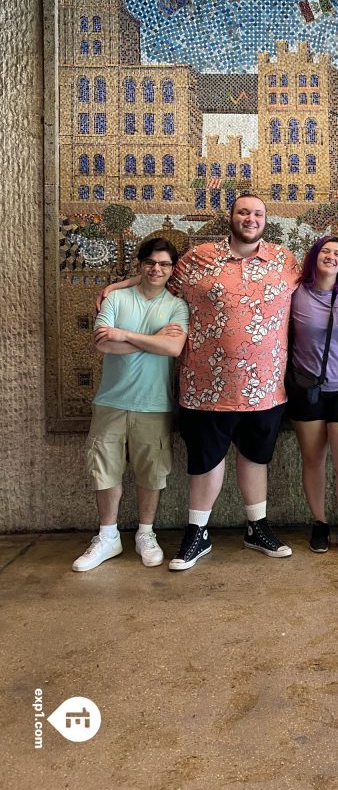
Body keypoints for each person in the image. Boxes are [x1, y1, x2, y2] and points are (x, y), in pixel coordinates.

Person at [100, 194, 301, 570]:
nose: (250, 218)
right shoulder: (198, 259)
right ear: (231, 217)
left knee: (256, 458)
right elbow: (158, 277)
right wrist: (119, 286)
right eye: (243, 212)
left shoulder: (283, 260)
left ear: (265, 219)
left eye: (257, 213)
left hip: (265, 388)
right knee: (205, 462)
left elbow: (321, 282)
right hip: (205, 387)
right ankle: (197, 533)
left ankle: (257, 527)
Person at [72, 238, 189, 572]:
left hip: (154, 403)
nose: (157, 269)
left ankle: (145, 533)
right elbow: (104, 345)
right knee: (103, 468)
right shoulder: (116, 297)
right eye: (151, 262)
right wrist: (152, 339)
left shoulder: (176, 306)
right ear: (140, 265)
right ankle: (108, 536)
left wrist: (124, 336)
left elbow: (174, 349)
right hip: (110, 400)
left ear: (172, 269)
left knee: (152, 471)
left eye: (164, 264)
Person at [287, 236, 338, 561]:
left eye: (337, 253)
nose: (331, 257)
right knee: (313, 459)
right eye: (325, 252)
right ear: (313, 258)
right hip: (306, 387)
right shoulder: (295, 291)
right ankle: (319, 522)